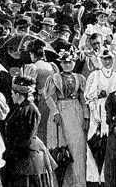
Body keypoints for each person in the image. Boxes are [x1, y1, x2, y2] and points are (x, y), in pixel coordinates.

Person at [43, 48, 89, 187]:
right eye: (64, 62)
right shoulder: (54, 78)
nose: (67, 65)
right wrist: (55, 112)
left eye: (70, 62)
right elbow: (48, 97)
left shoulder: (80, 78)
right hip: (61, 111)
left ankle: (78, 183)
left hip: (76, 112)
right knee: (61, 146)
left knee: (77, 147)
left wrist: (86, 117)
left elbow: (83, 98)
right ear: (60, 63)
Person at [3, 76, 58, 187]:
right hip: (21, 154)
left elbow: (26, 138)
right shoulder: (21, 108)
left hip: (28, 157)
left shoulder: (31, 110)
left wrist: (9, 154)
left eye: (12, 93)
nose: (11, 96)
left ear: (18, 94)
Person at [84, 49, 116, 184]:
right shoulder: (96, 75)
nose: (107, 61)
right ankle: (94, 177)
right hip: (98, 111)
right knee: (94, 141)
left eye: (109, 58)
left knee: (109, 142)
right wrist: (94, 112)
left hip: (112, 112)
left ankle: (107, 176)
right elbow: (89, 96)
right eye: (104, 59)